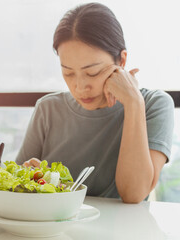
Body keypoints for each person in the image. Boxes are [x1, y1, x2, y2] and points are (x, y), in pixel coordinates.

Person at [15, 2, 174, 203]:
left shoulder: (154, 104)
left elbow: (134, 194)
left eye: (93, 72)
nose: (80, 87)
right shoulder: (48, 108)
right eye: (68, 73)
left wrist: (133, 103)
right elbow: (15, 183)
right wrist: (33, 178)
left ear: (122, 61)